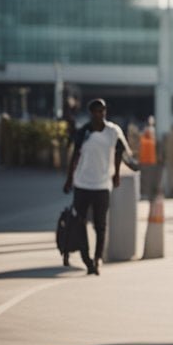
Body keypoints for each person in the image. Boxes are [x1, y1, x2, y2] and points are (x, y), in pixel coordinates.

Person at [63, 98, 132, 275]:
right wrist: (70, 178)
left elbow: (120, 151)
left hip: (102, 185)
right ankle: (87, 259)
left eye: (102, 111)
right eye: (96, 112)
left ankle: (97, 258)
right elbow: (75, 156)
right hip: (82, 183)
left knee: (100, 225)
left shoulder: (112, 131)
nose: (100, 115)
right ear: (91, 113)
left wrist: (116, 173)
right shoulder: (84, 132)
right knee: (80, 222)